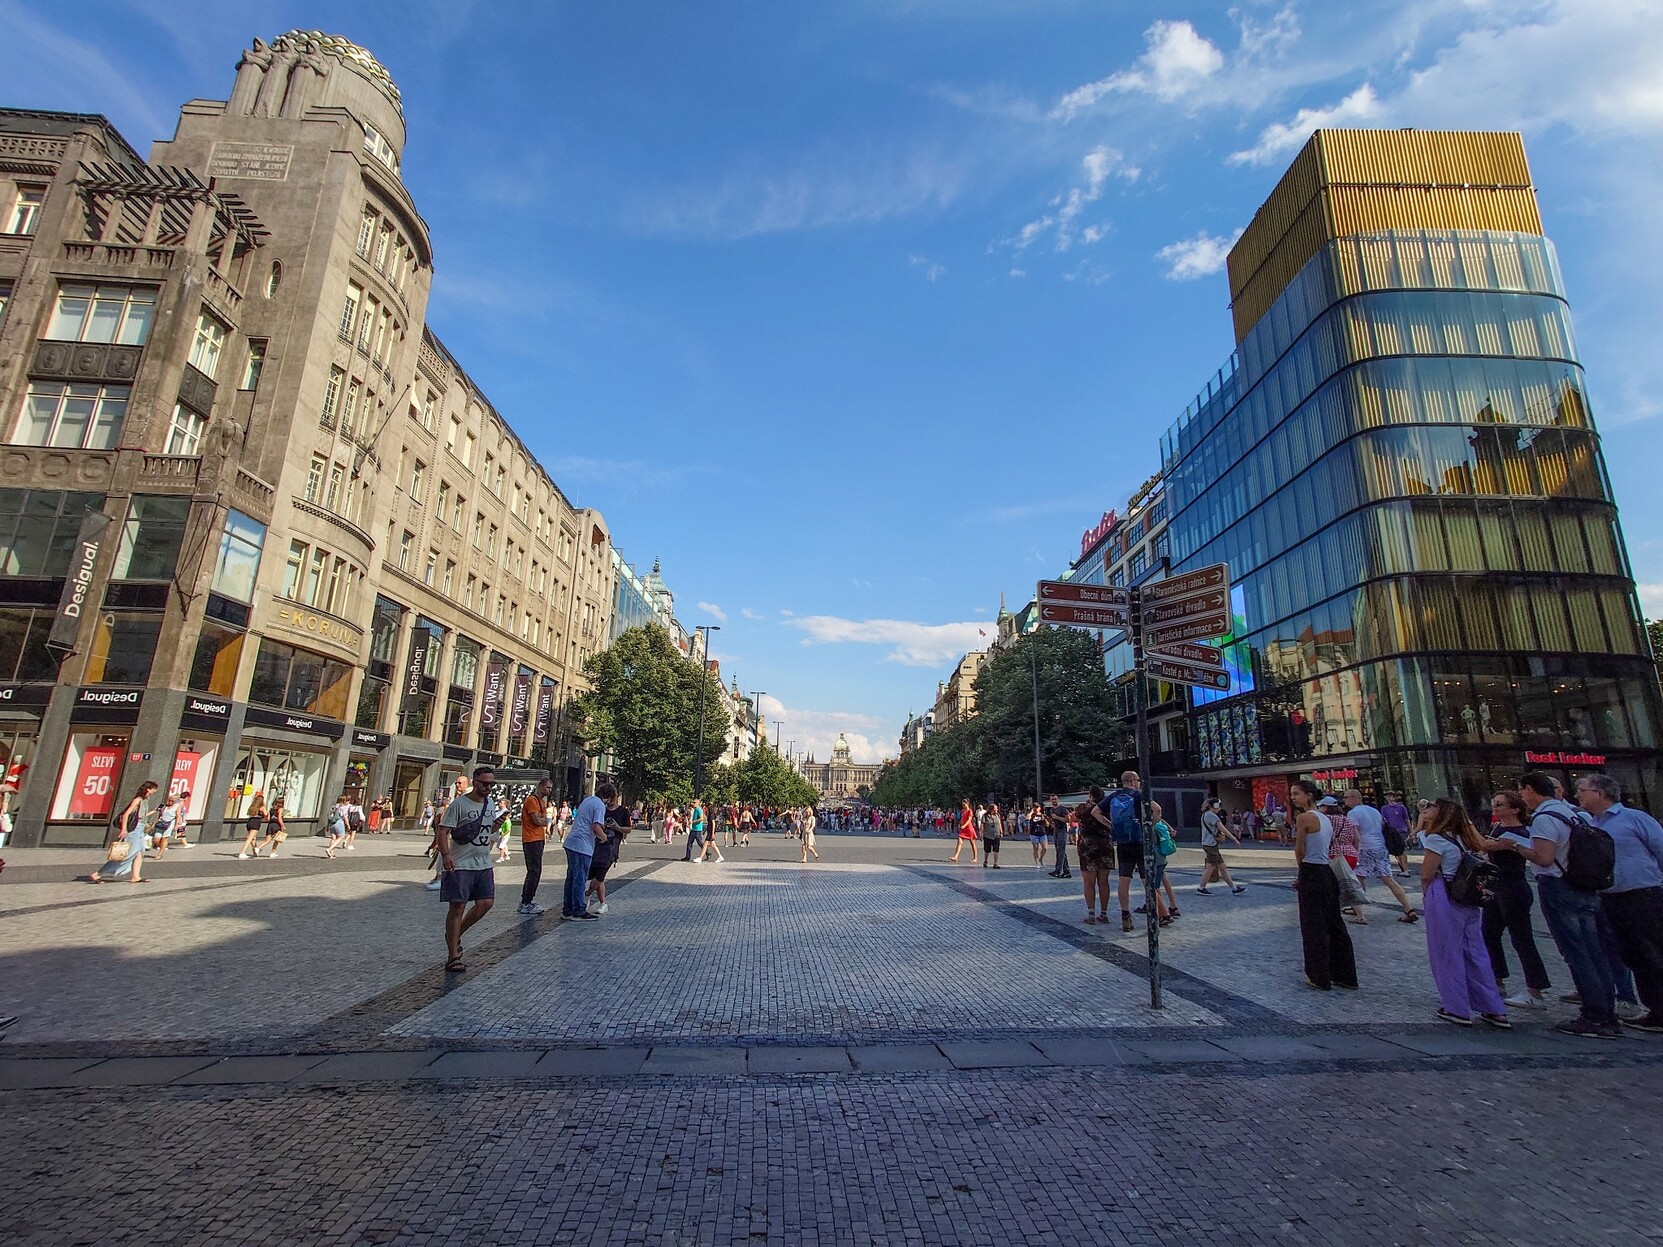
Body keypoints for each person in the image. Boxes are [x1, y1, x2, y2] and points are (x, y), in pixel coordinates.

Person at [1516, 771, 1620, 1039]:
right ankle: (1608, 1014)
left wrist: (1517, 847)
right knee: (1594, 952)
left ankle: (1594, 1015)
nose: (1521, 797)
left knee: (1576, 953)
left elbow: (1544, 858)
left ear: (1530, 789)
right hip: (1584, 885)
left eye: (1522, 791)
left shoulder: (1544, 817)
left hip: (1558, 886)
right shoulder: (1575, 814)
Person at [1576, 774, 1663, 1033]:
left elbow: (1660, 848)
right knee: (1632, 955)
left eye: (1582, 790)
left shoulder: (1634, 818)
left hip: (1642, 895)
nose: (1577, 794)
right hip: (1610, 897)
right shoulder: (1590, 823)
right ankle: (1655, 1008)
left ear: (1600, 793)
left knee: (1653, 952)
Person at [1417, 798, 1510, 1027]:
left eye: (1432, 806)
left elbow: (1427, 874)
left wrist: (1426, 893)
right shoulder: (1465, 837)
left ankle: (1456, 1007)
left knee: (1446, 952)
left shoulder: (1436, 839)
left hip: (1444, 891)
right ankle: (1493, 1007)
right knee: (1476, 951)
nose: (1428, 809)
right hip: (1468, 896)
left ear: (1442, 813)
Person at [1482, 790, 1551, 1009]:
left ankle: (1535, 988)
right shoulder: (1496, 827)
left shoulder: (1523, 831)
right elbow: (1485, 849)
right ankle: (1496, 978)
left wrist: (1510, 846)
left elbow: (1530, 854)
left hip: (1513, 885)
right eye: (1494, 803)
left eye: (1500, 804)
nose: (1495, 807)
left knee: (1521, 938)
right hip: (1495, 884)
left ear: (1514, 809)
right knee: (1489, 933)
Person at [1289, 779, 1357, 991]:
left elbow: (1299, 850)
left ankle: (1319, 975)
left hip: (1311, 870)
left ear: (1309, 795)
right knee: (1334, 923)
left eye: (1296, 794)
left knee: (1313, 925)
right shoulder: (1325, 818)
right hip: (1326, 871)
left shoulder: (1304, 818)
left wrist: (1301, 874)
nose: (1293, 798)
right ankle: (1345, 975)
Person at [437, 767, 505, 969]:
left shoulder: (490, 803)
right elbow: (443, 832)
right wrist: (446, 855)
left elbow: (485, 830)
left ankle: (455, 934)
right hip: (460, 863)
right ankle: (453, 956)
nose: (488, 787)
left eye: (492, 784)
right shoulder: (459, 805)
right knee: (458, 907)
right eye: (485, 783)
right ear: (475, 782)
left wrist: (497, 824)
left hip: (483, 863)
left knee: (486, 903)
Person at [1345, 789, 1418, 922]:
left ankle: (1359, 915)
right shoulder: (1374, 811)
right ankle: (1408, 909)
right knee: (1389, 880)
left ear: (1355, 798)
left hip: (1365, 848)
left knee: (1355, 881)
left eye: (1346, 797)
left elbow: (1355, 834)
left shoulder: (1353, 813)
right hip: (1380, 847)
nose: (1344, 800)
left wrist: (1352, 850)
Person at [1089, 771, 1146, 934]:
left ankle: (1125, 916)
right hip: (1139, 840)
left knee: (1124, 879)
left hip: (1122, 842)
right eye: (1138, 780)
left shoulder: (1114, 796)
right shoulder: (1138, 796)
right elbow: (1157, 810)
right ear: (1133, 781)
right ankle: (1155, 913)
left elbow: (1095, 812)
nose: (1139, 783)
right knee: (1147, 879)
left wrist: (1111, 826)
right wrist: (1149, 827)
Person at [88, 781, 159, 884]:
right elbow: (126, 815)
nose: (155, 790)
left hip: (140, 829)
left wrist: (154, 812)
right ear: (148, 789)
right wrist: (124, 829)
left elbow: (141, 816)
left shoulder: (146, 800)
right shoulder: (138, 800)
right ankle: (97, 874)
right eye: (154, 788)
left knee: (139, 854)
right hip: (134, 830)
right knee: (126, 855)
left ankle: (136, 876)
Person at [564, 784, 611, 920]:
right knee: (580, 878)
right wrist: (604, 838)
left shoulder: (588, 800)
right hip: (582, 845)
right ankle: (578, 910)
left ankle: (567, 910)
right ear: (608, 797)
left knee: (571, 878)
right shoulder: (600, 805)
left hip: (571, 842)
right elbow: (596, 827)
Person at [1319, 796, 1369, 925]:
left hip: (1333, 855)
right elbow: (1357, 839)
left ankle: (1336, 914)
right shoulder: (1347, 820)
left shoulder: (1325, 820)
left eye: (1321, 806)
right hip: (1351, 854)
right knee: (1348, 883)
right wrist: (1353, 851)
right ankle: (1358, 914)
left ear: (1325, 807)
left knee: (1332, 885)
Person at [587, 791, 630, 914]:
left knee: (600, 875)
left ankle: (587, 894)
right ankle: (602, 903)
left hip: (612, 847)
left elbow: (629, 829)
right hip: (597, 845)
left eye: (611, 799)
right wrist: (604, 826)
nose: (609, 802)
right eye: (607, 799)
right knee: (596, 875)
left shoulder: (623, 811)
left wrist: (617, 828)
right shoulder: (601, 808)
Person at [1076, 789, 1114, 925]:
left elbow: (1075, 817)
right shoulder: (1107, 809)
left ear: (1090, 796)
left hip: (1088, 846)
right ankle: (1104, 913)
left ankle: (1091, 914)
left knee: (1089, 882)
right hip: (1105, 846)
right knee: (1104, 882)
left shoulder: (1084, 808)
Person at [517, 777, 554, 916]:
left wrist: (543, 820)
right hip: (531, 839)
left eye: (551, 788)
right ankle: (526, 902)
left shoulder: (541, 802)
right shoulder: (532, 801)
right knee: (534, 871)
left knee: (535, 871)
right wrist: (545, 821)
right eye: (547, 787)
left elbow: (543, 820)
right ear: (540, 786)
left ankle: (527, 900)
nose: (549, 790)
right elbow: (538, 821)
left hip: (538, 838)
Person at [1196, 798, 1247, 895]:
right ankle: (1201, 888)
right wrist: (1234, 839)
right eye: (1219, 806)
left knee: (1222, 867)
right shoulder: (1212, 816)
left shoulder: (1205, 814)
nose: (1220, 808)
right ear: (1215, 806)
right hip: (1211, 844)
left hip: (1208, 844)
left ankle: (1234, 888)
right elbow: (1223, 829)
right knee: (1210, 867)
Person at [1381, 791, 1412, 876]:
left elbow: (1406, 819)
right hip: (1390, 831)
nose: (1389, 798)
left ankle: (1406, 870)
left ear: (1394, 798)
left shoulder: (1401, 808)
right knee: (1395, 851)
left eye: (1391, 796)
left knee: (1401, 850)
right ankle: (1402, 869)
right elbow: (1383, 821)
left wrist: (1411, 831)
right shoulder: (1384, 808)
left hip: (1401, 830)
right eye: (1387, 796)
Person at [148, 790, 185, 857]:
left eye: (172, 801)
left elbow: (178, 816)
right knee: (156, 839)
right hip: (161, 823)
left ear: (175, 801)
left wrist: (176, 825)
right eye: (169, 800)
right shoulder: (164, 805)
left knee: (164, 838)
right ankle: (162, 847)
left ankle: (160, 854)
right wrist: (146, 815)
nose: (170, 802)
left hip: (169, 824)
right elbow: (155, 811)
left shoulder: (177, 806)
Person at [1045, 795, 1072, 879]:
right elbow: (1052, 821)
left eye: (1055, 799)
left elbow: (1068, 819)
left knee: (1060, 851)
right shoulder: (1052, 810)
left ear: (1058, 800)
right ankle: (1066, 871)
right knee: (1060, 850)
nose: (1054, 801)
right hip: (1056, 830)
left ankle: (1058, 870)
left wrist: (1057, 817)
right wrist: (1050, 822)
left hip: (1062, 830)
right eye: (1052, 799)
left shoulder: (1062, 809)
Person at [236, 793, 268, 859]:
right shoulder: (262, 807)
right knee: (249, 838)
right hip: (256, 822)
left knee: (253, 838)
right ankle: (242, 852)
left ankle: (254, 852)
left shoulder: (253, 807)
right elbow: (266, 815)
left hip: (250, 821)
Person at [324, 794, 350, 859]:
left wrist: (327, 826)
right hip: (338, 822)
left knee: (333, 838)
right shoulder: (343, 807)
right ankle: (329, 849)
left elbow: (330, 816)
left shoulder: (333, 807)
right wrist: (348, 825)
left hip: (332, 823)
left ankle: (332, 853)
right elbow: (345, 816)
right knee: (341, 836)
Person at [980, 802, 1003, 869]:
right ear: (991, 809)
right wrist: (981, 834)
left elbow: (999, 823)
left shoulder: (998, 815)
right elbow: (982, 825)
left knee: (996, 849)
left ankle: (995, 864)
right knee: (987, 850)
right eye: (996, 808)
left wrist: (1001, 832)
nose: (997, 810)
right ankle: (985, 861)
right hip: (987, 835)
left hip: (996, 835)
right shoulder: (985, 816)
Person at [1028, 803, 1048, 869]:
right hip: (1034, 834)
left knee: (1045, 848)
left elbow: (1047, 824)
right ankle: (1037, 863)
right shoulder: (1032, 815)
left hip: (1042, 833)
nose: (1036, 808)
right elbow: (1027, 818)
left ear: (1040, 808)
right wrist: (1031, 811)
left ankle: (1041, 859)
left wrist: (1044, 819)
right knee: (1035, 848)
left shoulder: (1043, 815)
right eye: (1035, 807)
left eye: (1037, 807)